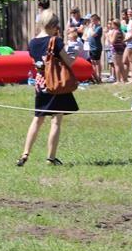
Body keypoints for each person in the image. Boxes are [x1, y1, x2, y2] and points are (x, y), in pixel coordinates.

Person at [17, 10, 77, 167]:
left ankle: (25, 153)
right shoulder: (55, 41)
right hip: (55, 84)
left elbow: (38, 63)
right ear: (52, 25)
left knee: (38, 119)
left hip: (40, 83)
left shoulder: (32, 42)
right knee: (56, 120)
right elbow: (68, 62)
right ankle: (51, 158)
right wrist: (75, 54)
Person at [108, 18, 127, 83]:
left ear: (115, 25)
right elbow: (123, 40)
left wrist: (108, 36)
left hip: (115, 49)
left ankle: (118, 80)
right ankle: (124, 79)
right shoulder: (120, 31)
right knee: (121, 64)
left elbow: (112, 41)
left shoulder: (116, 32)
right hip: (121, 48)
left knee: (116, 65)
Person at [86, 14, 103, 83]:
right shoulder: (93, 27)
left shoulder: (99, 28)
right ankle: (95, 76)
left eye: (93, 21)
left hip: (96, 47)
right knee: (92, 62)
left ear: (97, 20)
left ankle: (99, 77)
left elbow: (94, 34)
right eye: (91, 21)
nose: (92, 22)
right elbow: (87, 36)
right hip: (91, 47)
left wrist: (91, 28)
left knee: (97, 62)